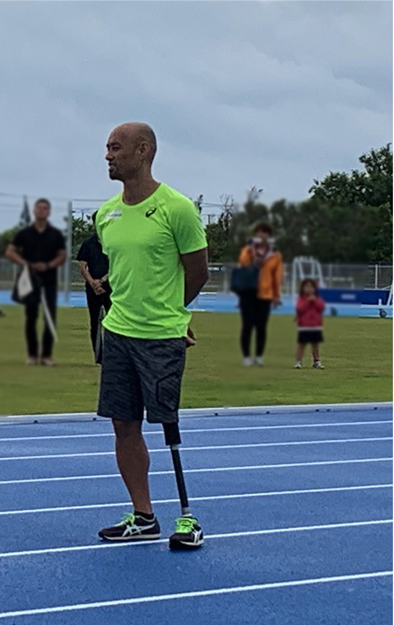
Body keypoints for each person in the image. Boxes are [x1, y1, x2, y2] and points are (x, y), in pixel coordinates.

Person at [95, 122, 209, 550]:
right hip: (118, 331)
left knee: (167, 423)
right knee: (123, 423)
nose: (108, 156)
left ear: (142, 151)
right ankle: (143, 515)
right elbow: (126, 274)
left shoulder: (176, 209)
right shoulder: (105, 214)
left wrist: (176, 314)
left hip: (160, 335)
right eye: (106, 148)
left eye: (115, 148)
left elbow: (197, 272)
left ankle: (187, 516)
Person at [6, 199, 67, 366]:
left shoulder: (55, 234)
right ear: (34, 210)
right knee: (31, 317)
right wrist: (25, 263)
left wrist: (48, 265)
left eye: (45, 208)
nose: (42, 211)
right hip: (30, 280)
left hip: (49, 280)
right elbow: (10, 252)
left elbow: (62, 255)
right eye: (39, 208)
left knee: (49, 317)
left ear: (49, 212)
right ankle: (32, 354)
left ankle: (47, 355)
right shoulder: (25, 233)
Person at [237, 223, 283, 366]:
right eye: (259, 232)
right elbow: (243, 263)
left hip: (265, 294)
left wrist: (276, 296)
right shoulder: (248, 249)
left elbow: (277, 276)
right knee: (247, 325)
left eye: (265, 233)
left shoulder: (274, 254)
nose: (262, 235)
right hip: (248, 293)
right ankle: (246, 356)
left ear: (269, 235)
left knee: (261, 326)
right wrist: (251, 250)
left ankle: (258, 356)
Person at [76, 211, 112, 364]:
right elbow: (83, 266)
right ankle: (99, 357)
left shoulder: (112, 242)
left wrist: (103, 280)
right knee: (95, 322)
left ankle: (114, 356)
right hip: (92, 289)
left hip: (111, 288)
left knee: (114, 322)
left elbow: (118, 264)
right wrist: (93, 283)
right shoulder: (88, 244)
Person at [294, 278, 325, 369]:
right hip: (304, 326)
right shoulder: (301, 299)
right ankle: (298, 361)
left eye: (311, 287)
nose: (309, 289)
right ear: (302, 288)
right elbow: (300, 309)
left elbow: (321, 308)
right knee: (301, 345)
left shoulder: (317, 299)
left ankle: (317, 361)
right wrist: (308, 302)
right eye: (306, 286)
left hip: (315, 326)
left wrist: (315, 301)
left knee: (315, 345)